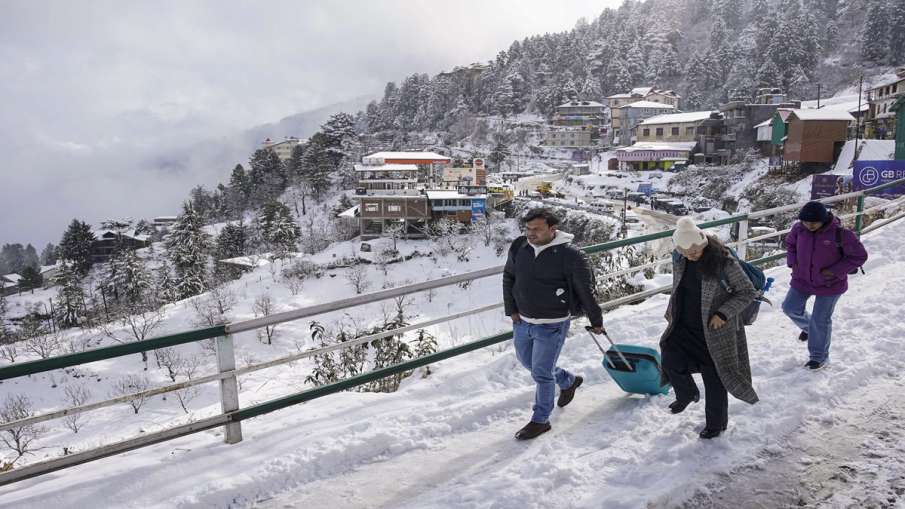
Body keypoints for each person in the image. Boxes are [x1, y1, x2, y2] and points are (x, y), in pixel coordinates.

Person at [503, 208, 604, 440]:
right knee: (528, 362)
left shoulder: (570, 256)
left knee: (541, 372)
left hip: (552, 324)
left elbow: (585, 291)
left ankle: (541, 420)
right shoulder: (520, 246)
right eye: (528, 229)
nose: (530, 234)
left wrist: (596, 320)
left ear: (552, 229)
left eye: (536, 229)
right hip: (523, 322)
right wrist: (512, 311)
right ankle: (568, 381)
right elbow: (509, 276)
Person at [660, 217, 759, 439]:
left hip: (715, 328)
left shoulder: (723, 261)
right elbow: (680, 287)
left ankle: (716, 425)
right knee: (669, 353)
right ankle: (686, 393)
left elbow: (747, 292)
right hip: (684, 322)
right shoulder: (680, 258)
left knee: (714, 376)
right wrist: (671, 309)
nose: (692, 254)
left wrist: (723, 313)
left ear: (703, 241)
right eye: (686, 251)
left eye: (695, 249)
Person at [782, 201, 868, 370]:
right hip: (802, 279)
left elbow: (859, 256)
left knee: (820, 320)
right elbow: (790, 244)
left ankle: (818, 357)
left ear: (824, 219)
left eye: (813, 222)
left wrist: (834, 271)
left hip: (830, 284)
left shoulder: (841, 234)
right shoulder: (798, 229)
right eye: (806, 222)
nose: (809, 225)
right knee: (789, 307)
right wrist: (793, 263)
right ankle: (810, 329)